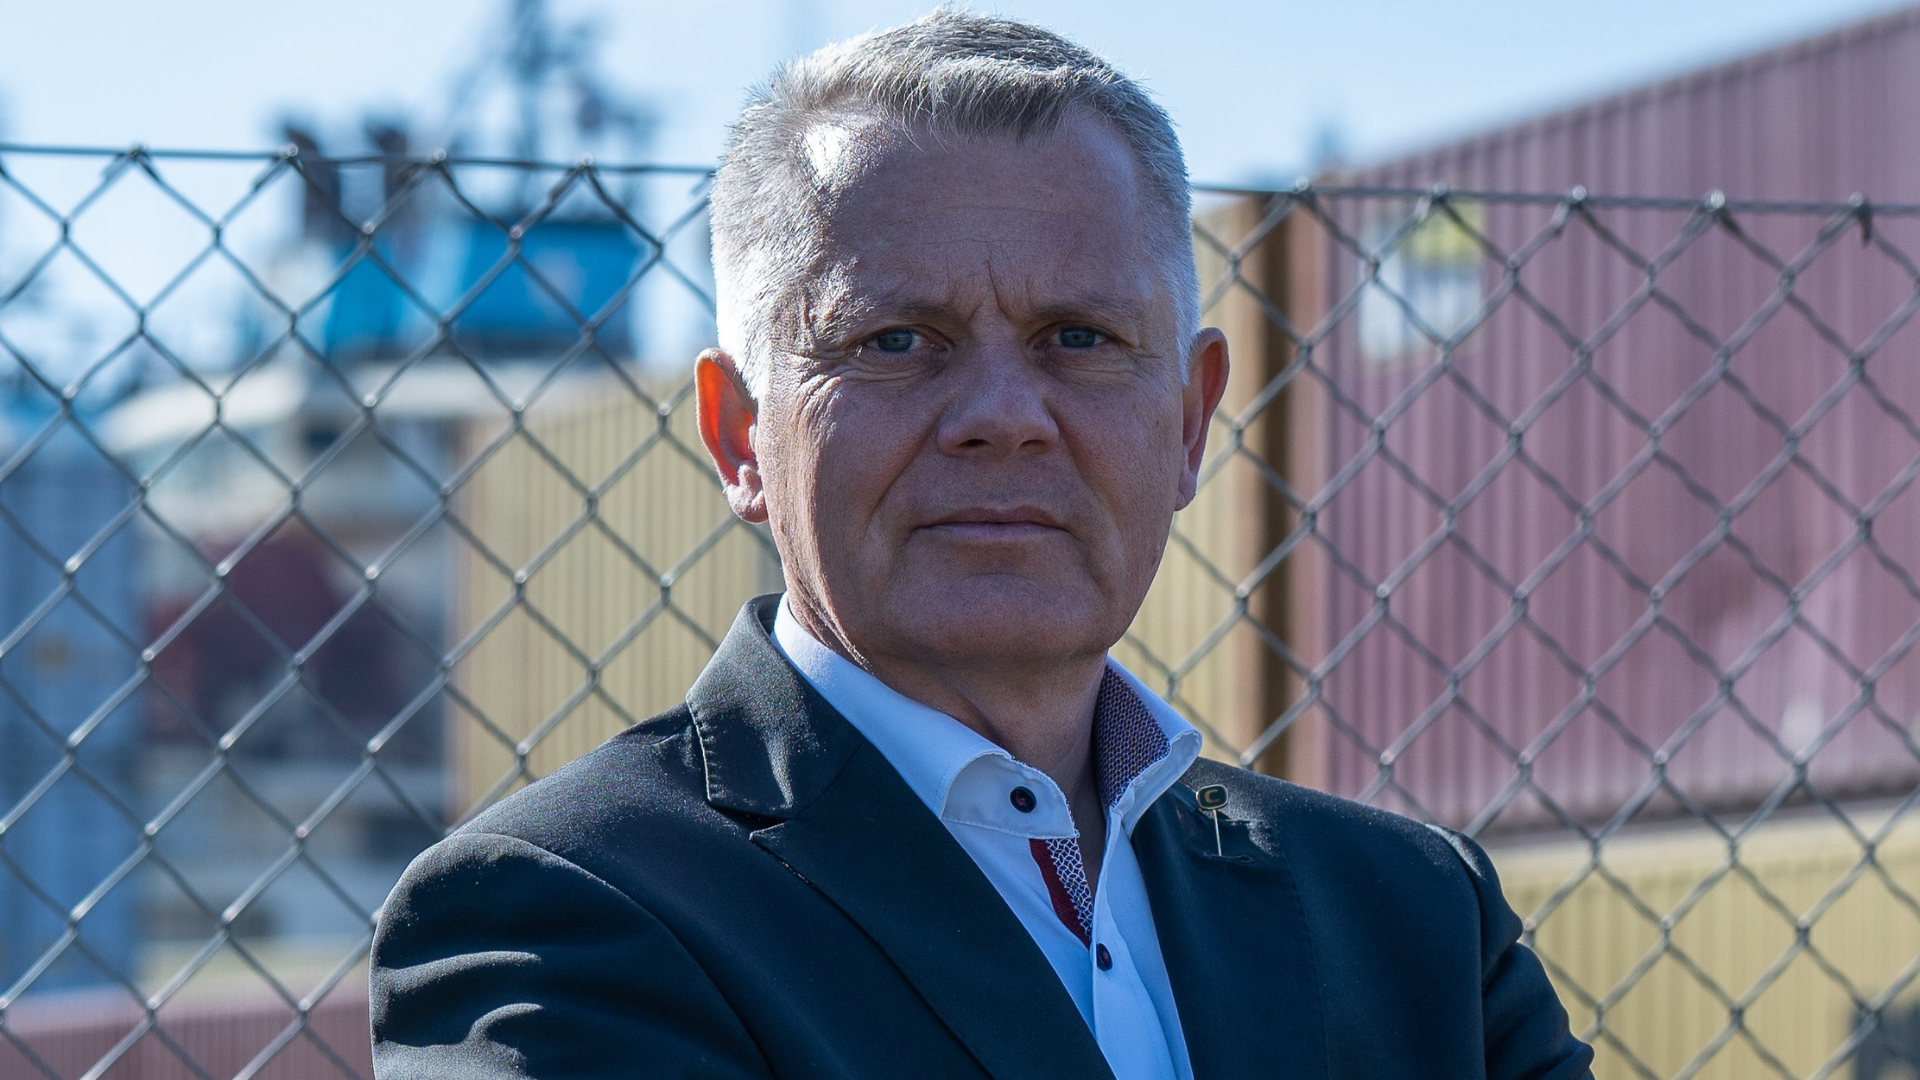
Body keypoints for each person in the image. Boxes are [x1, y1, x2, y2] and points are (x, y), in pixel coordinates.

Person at [369, 11, 1596, 1079]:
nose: (1005, 416)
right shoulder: (561, 912)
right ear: (742, 435)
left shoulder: (1419, 920)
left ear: (1187, 423)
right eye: (896, 341)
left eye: (1079, 338)